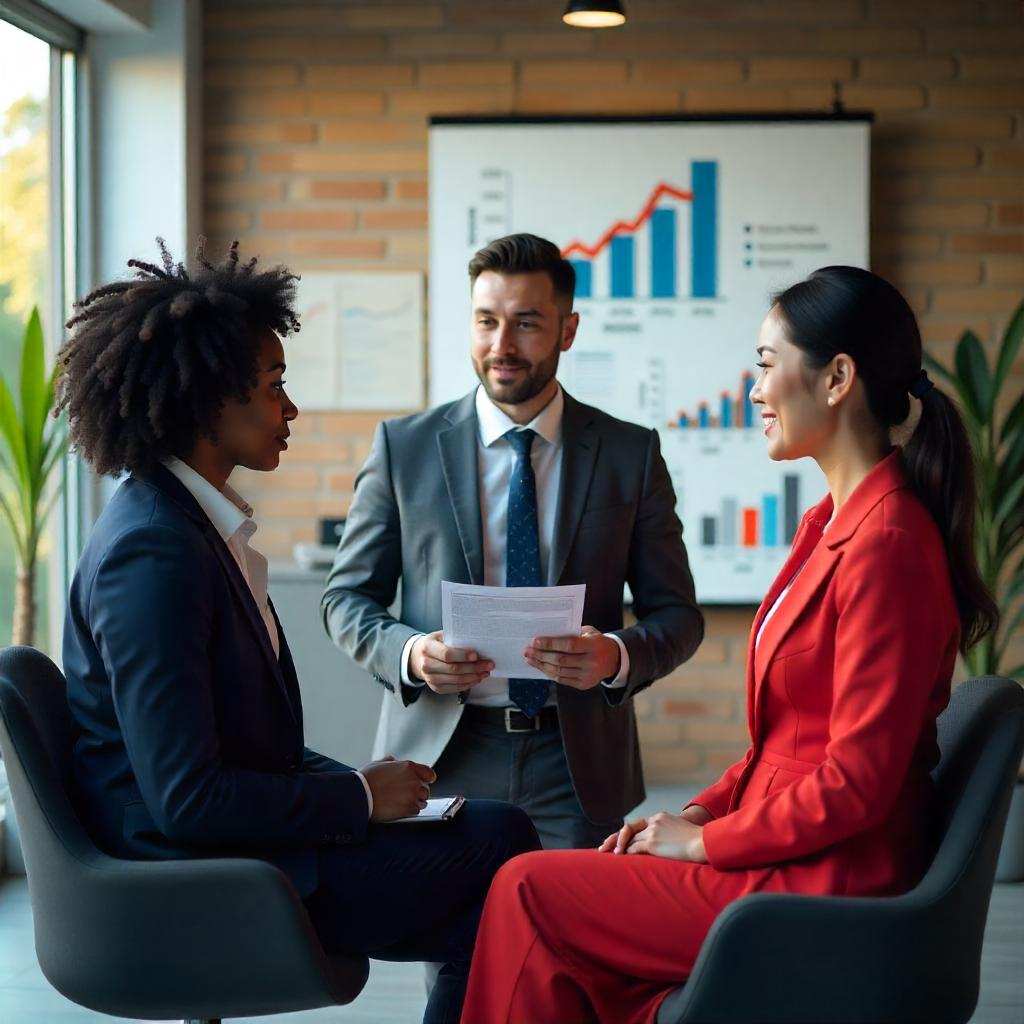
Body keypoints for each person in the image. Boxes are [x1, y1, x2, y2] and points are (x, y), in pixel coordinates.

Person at [458, 265, 1000, 1024]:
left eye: (767, 365)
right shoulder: (828, 526)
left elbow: (857, 783)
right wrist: (695, 817)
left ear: (838, 377)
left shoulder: (887, 543)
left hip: (825, 882)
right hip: (783, 851)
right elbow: (781, 744)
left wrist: (704, 846)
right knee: (557, 927)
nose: (753, 389)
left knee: (527, 889)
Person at [57, 239, 540, 1024]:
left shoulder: (192, 529)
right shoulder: (152, 552)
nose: (291, 410)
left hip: (235, 850)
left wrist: (371, 790)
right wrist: (354, 796)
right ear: (209, 400)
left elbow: (247, 756)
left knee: (492, 849)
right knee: (498, 852)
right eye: (274, 386)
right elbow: (186, 801)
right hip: (199, 876)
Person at [322, 233, 704, 851]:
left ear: (567, 330)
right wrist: (411, 653)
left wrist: (616, 657)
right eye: (486, 321)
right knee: (452, 945)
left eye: (526, 323)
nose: (502, 346)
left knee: (571, 944)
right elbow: (344, 600)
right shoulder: (404, 449)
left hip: (576, 763)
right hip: (439, 757)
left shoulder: (628, 455)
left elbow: (678, 616)